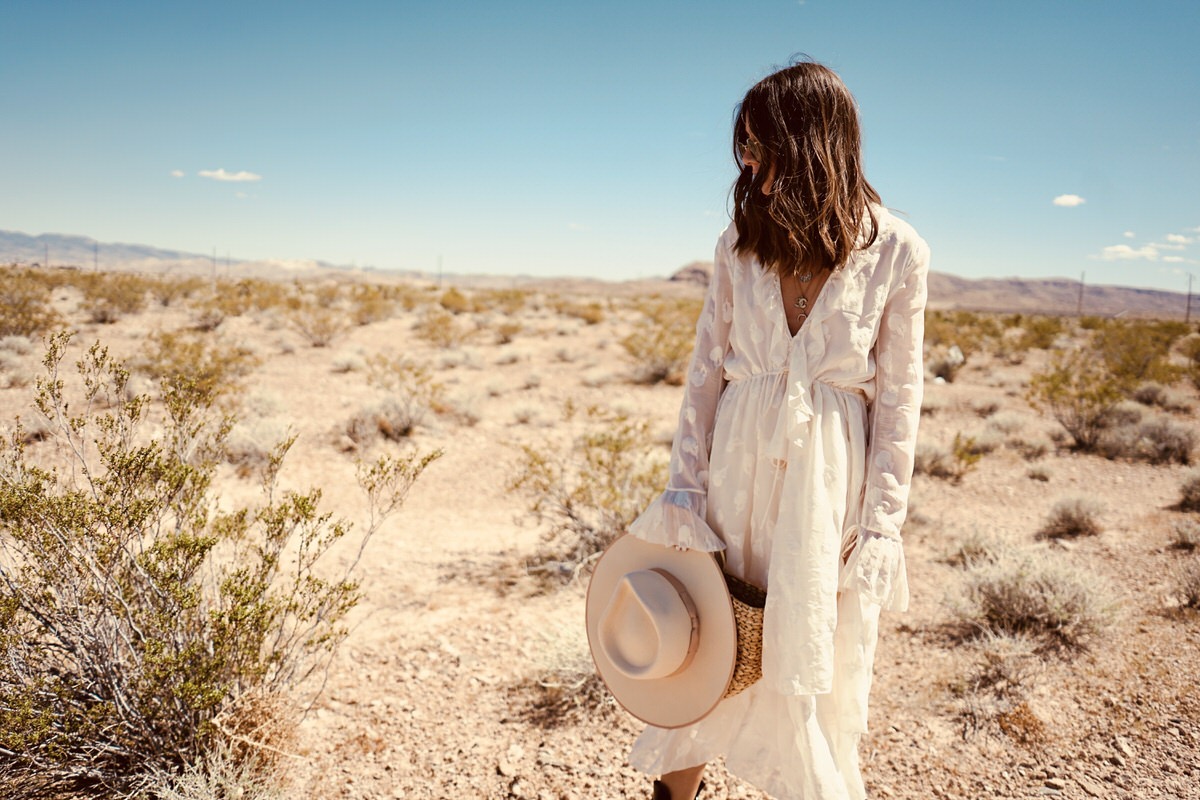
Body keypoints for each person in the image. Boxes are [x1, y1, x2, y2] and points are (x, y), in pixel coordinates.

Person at [624, 60, 929, 800]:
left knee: (804, 659)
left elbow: (899, 398)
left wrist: (883, 523)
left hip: (827, 487)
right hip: (732, 469)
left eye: (762, 147)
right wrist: (684, 491)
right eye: (746, 150)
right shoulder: (738, 244)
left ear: (812, 144)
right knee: (705, 647)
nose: (750, 166)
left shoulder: (897, 250)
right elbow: (704, 377)